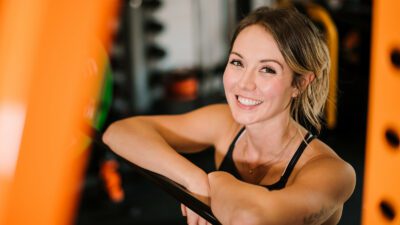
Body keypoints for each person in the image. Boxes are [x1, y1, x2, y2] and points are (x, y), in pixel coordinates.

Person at [103, 6, 356, 225]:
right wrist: (194, 180)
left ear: (299, 84)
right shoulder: (225, 124)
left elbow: (251, 218)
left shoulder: (332, 172)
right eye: (237, 62)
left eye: (267, 69)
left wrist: (217, 179)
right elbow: (119, 133)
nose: (244, 84)